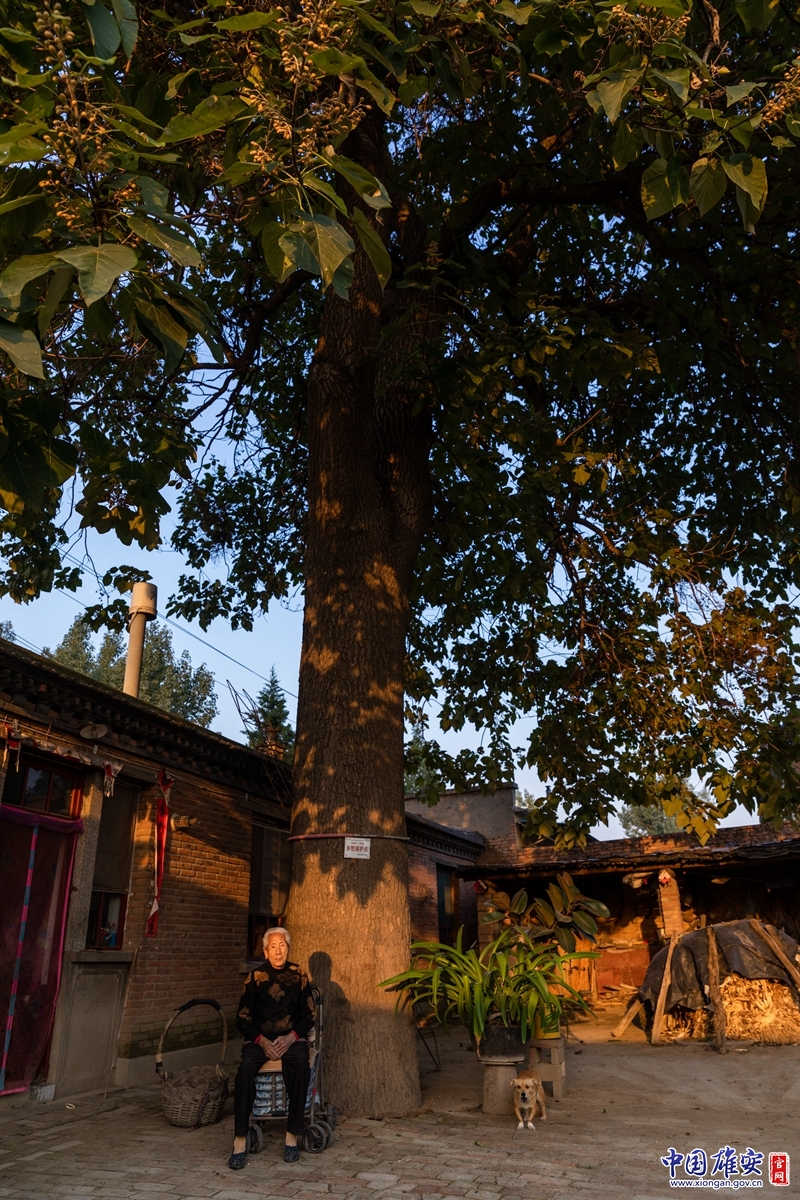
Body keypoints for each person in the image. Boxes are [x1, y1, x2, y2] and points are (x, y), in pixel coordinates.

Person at [228, 926, 315, 1169]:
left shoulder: (299, 974)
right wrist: (262, 1041)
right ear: (265, 952)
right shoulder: (255, 977)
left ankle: (292, 1136)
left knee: (301, 1063)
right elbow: (242, 1018)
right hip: (260, 1040)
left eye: (282, 945)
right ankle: (239, 1139)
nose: (278, 951)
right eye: (273, 947)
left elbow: (309, 1014)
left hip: (290, 1039)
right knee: (245, 1069)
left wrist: (291, 1037)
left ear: (288, 948)